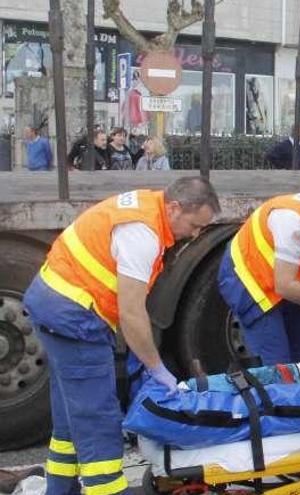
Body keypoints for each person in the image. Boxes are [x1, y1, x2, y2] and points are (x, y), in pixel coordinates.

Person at [22, 177, 220, 495]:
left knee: (69, 415)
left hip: (54, 303)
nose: (195, 234)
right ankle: (108, 490)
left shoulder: (145, 207)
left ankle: (59, 488)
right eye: (195, 225)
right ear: (175, 208)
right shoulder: (143, 232)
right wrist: (156, 368)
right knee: (98, 416)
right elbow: (132, 313)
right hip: (75, 317)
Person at [217, 171, 300, 365]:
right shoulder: (294, 221)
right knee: (278, 368)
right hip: (251, 280)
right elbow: (285, 286)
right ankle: (275, 392)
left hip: (285, 276)